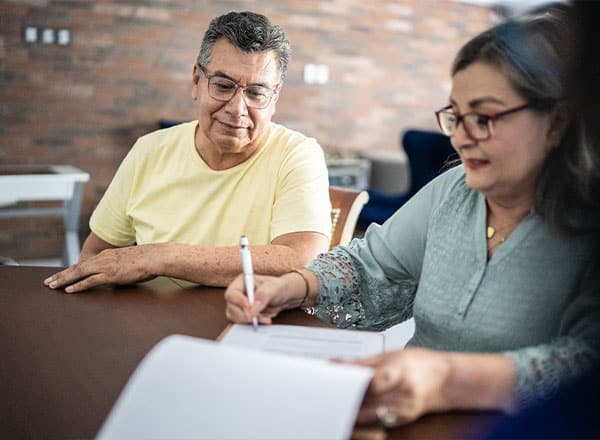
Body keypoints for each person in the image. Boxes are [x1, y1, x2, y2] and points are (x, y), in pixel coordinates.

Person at [224, 10, 600, 428]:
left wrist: (445, 380)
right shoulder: (454, 190)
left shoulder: (587, 227)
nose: (459, 136)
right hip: (406, 420)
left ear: (557, 122)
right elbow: (373, 265)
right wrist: (293, 286)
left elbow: (585, 365)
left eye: (483, 117)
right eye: (455, 116)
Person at [44, 11, 332, 293]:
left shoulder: (297, 155)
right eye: (222, 86)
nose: (237, 109)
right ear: (197, 81)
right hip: (149, 328)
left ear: (274, 98)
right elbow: (96, 253)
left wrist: (159, 257)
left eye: (256, 93)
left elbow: (303, 259)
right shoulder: (150, 150)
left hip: (245, 329)